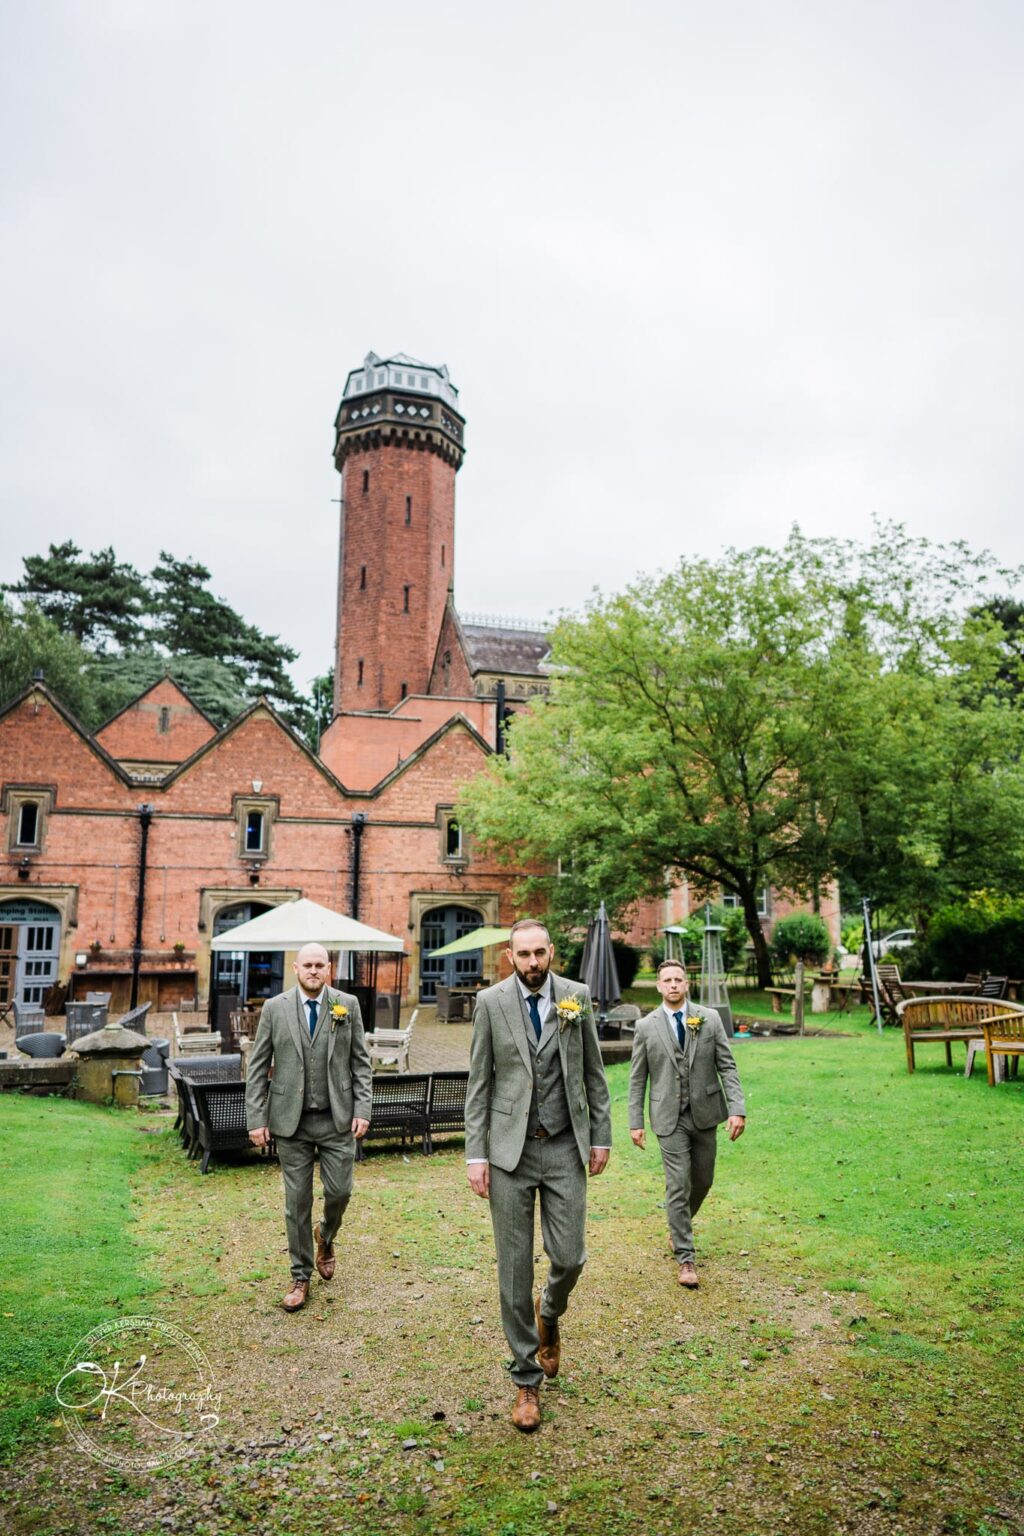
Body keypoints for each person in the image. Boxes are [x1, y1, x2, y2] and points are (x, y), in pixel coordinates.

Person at [464, 919, 612, 1432]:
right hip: (509, 1153)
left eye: (538, 954)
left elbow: (594, 1071)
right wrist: (475, 1154)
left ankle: (549, 1314)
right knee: (513, 1270)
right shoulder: (490, 1003)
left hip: (566, 1146)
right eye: (522, 955)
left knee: (569, 1256)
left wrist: (600, 1136)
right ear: (510, 957)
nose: (531, 963)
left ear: (551, 953)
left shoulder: (577, 997)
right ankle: (526, 1378)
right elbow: (479, 1085)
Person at [245, 943, 372, 1311]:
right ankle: (300, 1276)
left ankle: (326, 1235)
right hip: (291, 1122)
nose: (313, 971)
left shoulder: (347, 1005)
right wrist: (257, 1118)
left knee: (340, 1192)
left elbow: (361, 1063)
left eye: (320, 965)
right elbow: (257, 1068)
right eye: (308, 965)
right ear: (295, 968)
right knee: (295, 1202)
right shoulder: (274, 1008)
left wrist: (362, 1109)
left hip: (337, 1119)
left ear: (329, 969)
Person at [628, 958, 745, 1289]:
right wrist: (635, 1121)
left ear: (687, 984)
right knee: (677, 1183)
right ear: (659, 986)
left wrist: (738, 1108)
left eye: (679, 979)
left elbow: (728, 1067)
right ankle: (686, 1258)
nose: (674, 985)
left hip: (706, 1113)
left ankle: (677, 1224)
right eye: (667, 980)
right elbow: (637, 1080)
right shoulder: (646, 1027)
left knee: (703, 1180)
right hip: (668, 1117)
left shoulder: (708, 1020)